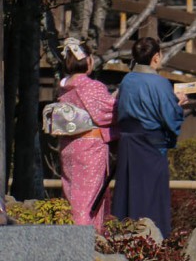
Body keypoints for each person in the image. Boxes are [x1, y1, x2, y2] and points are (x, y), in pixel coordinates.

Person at [111, 37, 187, 238]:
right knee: (152, 198)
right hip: (150, 145)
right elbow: (170, 117)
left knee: (129, 196)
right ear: (156, 57)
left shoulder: (127, 80)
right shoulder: (160, 83)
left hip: (128, 143)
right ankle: (152, 244)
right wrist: (178, 103)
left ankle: (124, 239)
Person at [56, 38, 117, 233]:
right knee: (88, 199)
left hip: (68, 145)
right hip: (89, 147)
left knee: (73, 195)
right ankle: (83, 246)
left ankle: (72, 238)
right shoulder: (90, 86)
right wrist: (118, 99)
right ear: (87, 60)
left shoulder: (64, 87)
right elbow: (109, 113)